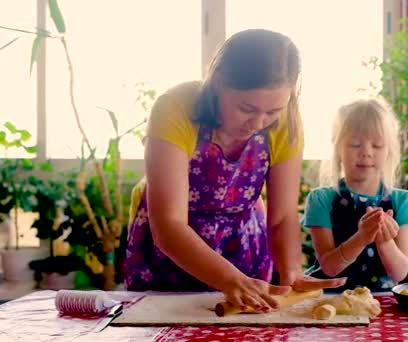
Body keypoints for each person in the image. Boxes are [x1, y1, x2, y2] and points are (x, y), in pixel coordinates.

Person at [125, 29, 345, 310]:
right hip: (171, 253)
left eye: (272, 112)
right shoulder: (176, 108)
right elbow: (169, 225)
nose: (258, 123)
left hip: (243, 249)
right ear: (217, 83)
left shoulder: (287, 120)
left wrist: (291, 271)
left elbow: (282, 217)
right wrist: (229, 279)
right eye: (246, 108)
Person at [302, 97, 408, 292]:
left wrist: (384, 240)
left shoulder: (404, 202)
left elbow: (399, 273)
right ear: (337, 147)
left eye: (376, 145)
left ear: (389, 150)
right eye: (354, 144)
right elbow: (329, 267)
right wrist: (361, 237)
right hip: (330, 300)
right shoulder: (321, 199)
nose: (366, 152)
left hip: (382, 303)